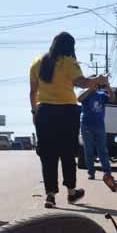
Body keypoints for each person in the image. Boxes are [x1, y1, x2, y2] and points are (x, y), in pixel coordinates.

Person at [29, 32, 108, 209]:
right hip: (66, 112)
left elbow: (33, 92)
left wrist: (35, 112)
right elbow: (81, 82)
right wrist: (99, 80)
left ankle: (50, 195)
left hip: (44, 112)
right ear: (70, 47)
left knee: (47, 154)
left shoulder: (37, 62)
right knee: (67, 152)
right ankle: (71, 192)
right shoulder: (68, 62)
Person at [78, 81, 116, 181]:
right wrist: (90, 88)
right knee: (89, 150)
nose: (95, 85)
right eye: (93, 83)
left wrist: (108, 87)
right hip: (86, 125)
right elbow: (79, 99)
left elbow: (113, 99)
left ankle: (107, 173)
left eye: (96, 83)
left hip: (99, 125)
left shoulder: (102, 95)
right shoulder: (85, 93)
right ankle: (91, 172)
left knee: (102, 150)